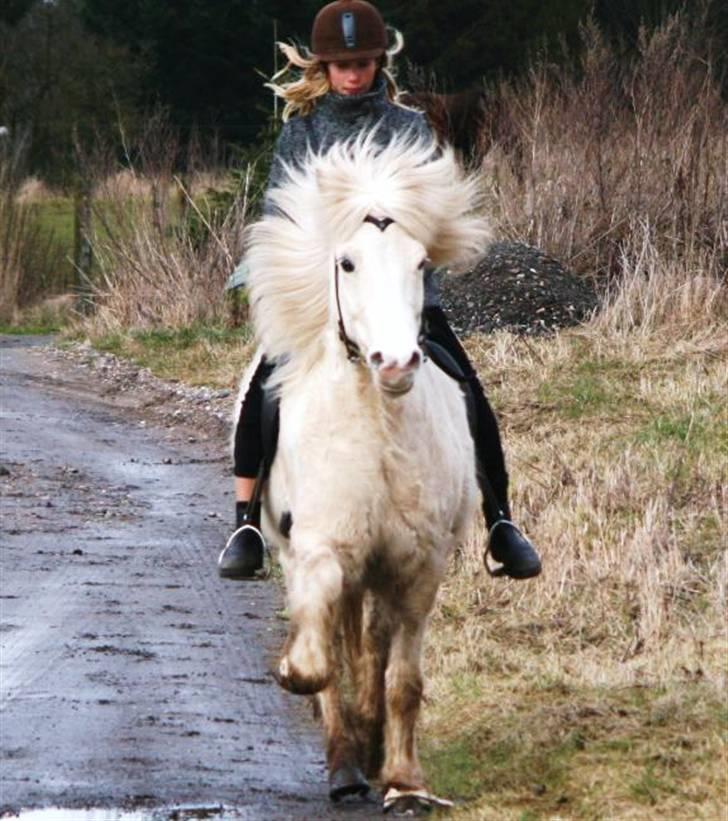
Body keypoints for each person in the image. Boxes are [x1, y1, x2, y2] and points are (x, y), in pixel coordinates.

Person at [218, 0, 541, 581]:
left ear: (378, 62)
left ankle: (501, 520)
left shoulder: (409, 129)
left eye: (363, 63)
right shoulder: (302, 135)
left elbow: (431, 214)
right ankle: (245, 520)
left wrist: (413, 269)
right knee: (265, 387)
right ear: (322, 67)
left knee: (466, 387)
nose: (352, 75)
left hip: (401, 298)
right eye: (342, 65)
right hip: (325, 302)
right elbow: (278, 218)